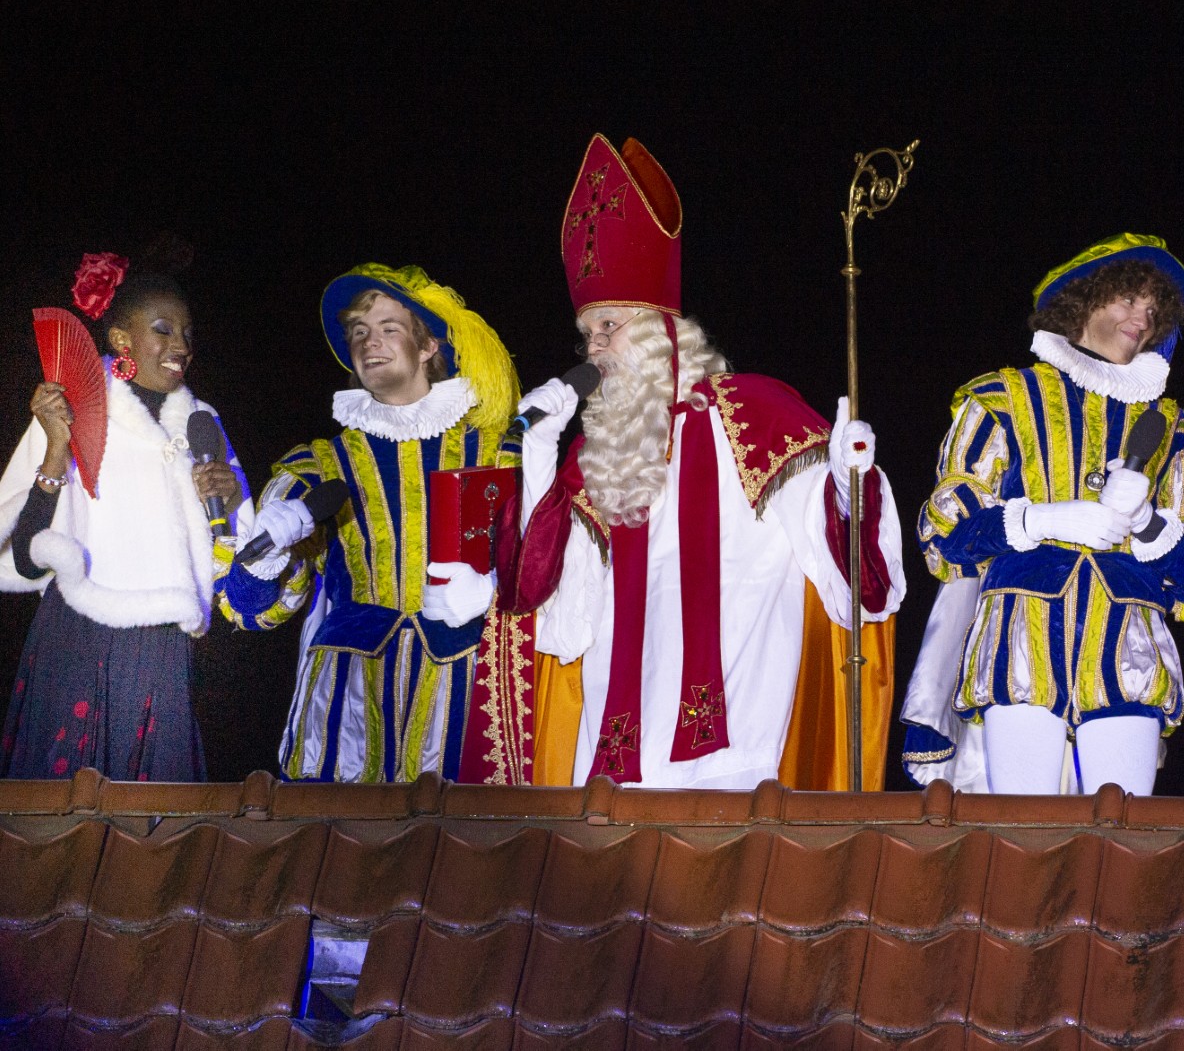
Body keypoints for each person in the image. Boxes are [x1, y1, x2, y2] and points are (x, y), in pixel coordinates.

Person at [481, 132, 906, 789]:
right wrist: (538, 455)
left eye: (609, 327)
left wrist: (852, 485)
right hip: (614, 767)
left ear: (660, 327)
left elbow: (850, 569)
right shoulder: (597, 457)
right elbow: (538, 600)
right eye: (587, 333)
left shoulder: (757, 415)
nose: (594, 349)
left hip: (735, 754)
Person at [905, 234, 1184, 796]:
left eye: (1154, 312)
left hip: (1128, 649)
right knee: (1023, 828)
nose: (1142, 320)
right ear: (1083, 301)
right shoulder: (1002, 399)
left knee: (1122, 829)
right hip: (1019, 641)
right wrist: (1040, 521)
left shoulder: (1176, 429)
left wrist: (1149, 522)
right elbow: (945, 528)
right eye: (1128, 299)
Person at [218, 263, 520, 783]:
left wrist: (493, 589)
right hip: (349, 700)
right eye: (358, 332)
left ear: (427, 346)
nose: (369, 342)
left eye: (387, 328)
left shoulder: (500, 454)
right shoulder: (316, 466)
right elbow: (250, 610)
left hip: (468, 691)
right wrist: (265, 560)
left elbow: (546, 569)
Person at [0, 252, 251, 781]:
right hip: (80, 636)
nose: (181, 345)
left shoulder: (202, 423)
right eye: (163, 329)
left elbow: (235, 557)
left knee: (155, 812)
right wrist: (56, 449)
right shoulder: (76, 409)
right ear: (121, 339)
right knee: (66, 809)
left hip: (162, 646)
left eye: (187, 333)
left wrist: (229, 500)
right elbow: (24, 557)